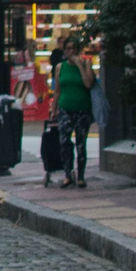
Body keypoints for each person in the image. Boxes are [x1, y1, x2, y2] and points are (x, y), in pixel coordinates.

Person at [53, 37, 96, 188]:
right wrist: (54, 110)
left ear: (78, 50)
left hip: (82, 109)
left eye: (73, 48)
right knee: (64, 140)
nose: (71, 52)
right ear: (64, 51)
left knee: (80, 143)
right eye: (68, 49)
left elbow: (88, 84)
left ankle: (81, 175)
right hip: (65, 108)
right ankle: (67, 173)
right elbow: (57, 90)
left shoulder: (86, 64)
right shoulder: (60, 67)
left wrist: (80, 66)